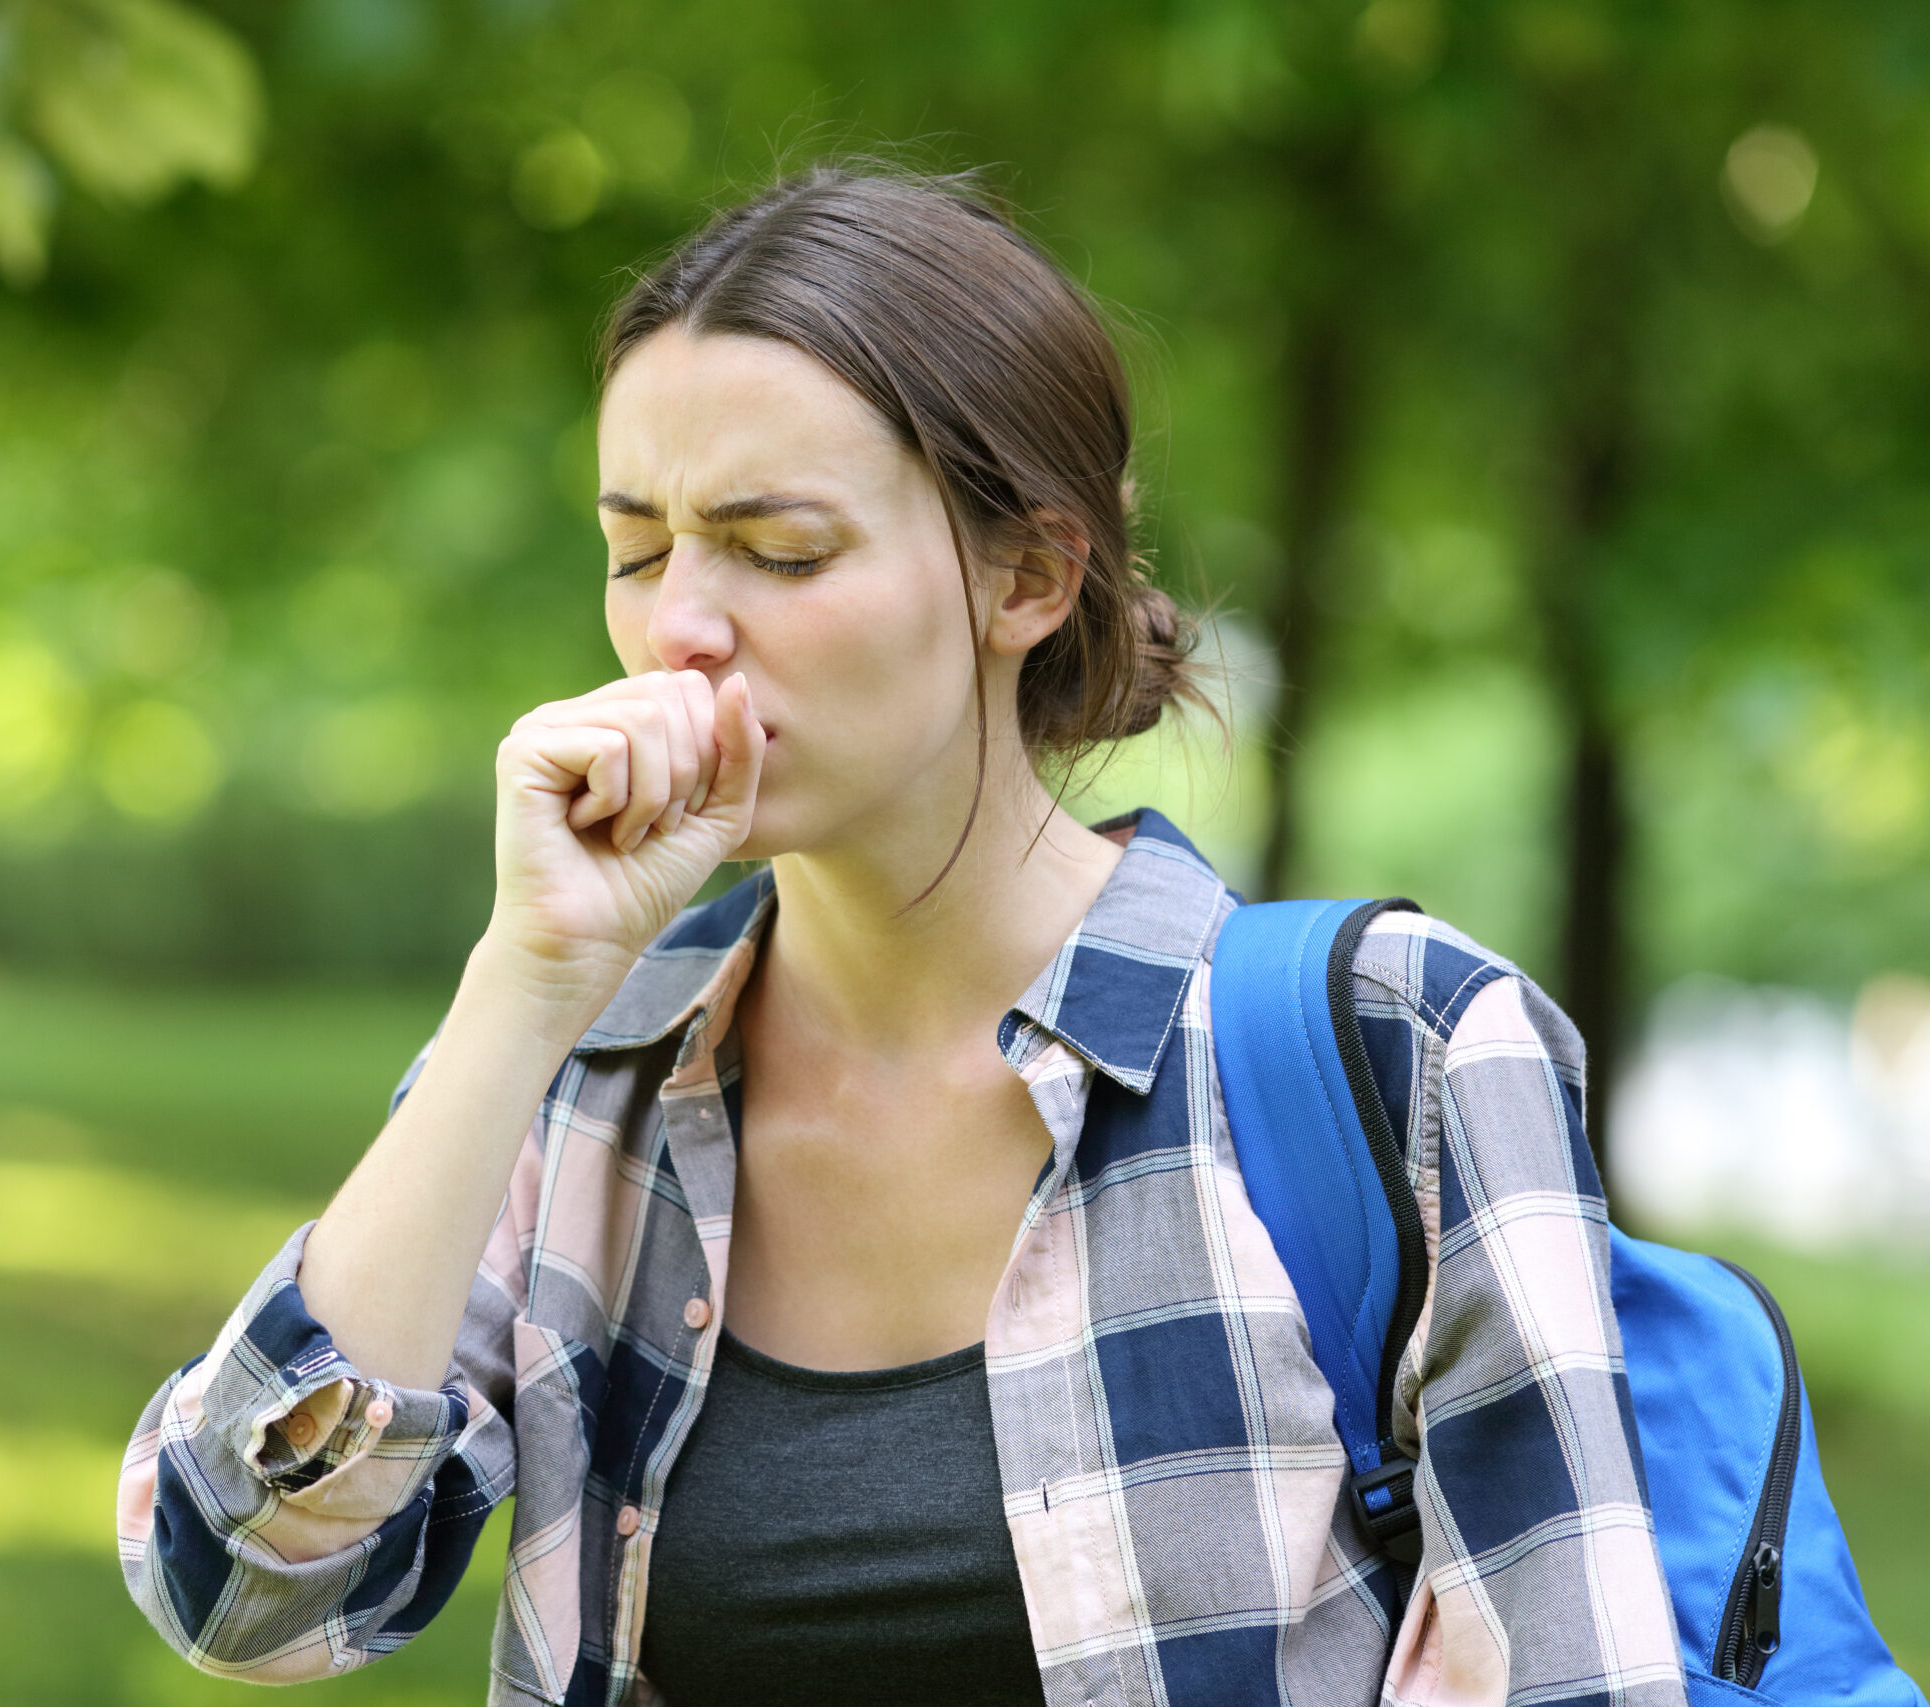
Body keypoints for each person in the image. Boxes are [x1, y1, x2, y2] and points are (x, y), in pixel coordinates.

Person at [117, 164, 1682, 1707]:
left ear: (1029, 576)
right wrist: (520, 988)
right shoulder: (578, 1073)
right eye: (640, 549)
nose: (683, 628)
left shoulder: (1402, 1051)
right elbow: (240, 1590)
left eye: (780, 551)